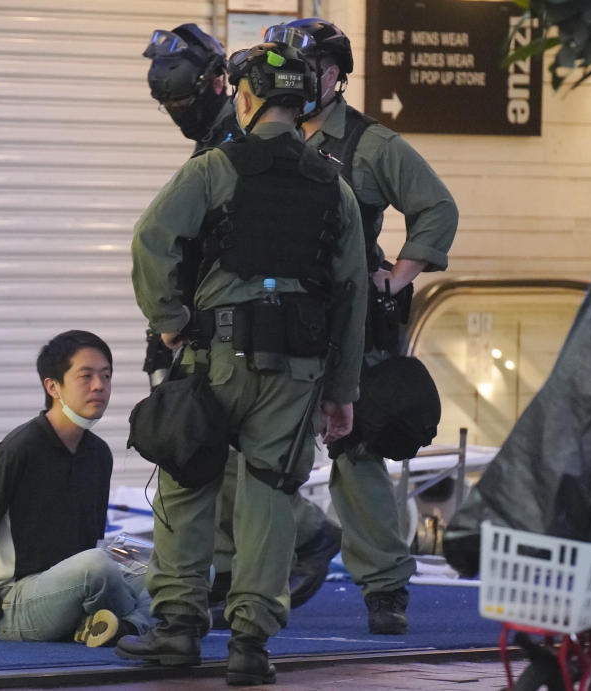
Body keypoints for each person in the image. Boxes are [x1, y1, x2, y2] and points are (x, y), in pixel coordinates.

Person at [117, 41, 368, 686]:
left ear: (246, 98)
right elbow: (351, 292)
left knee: (189, 479)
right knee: (270, 495)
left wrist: (169, 323)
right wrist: (342, 392)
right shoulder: (333, 187)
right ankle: (250, 643)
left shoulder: (214, 169)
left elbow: (152, 240)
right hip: (300, 369)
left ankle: (176, 630)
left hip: (215, 357)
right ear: (304, 102)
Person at [263, 18, 460, 635]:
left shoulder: (372, 145)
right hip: (278, 317)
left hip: (353, 321)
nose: (298, 81)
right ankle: (265, 571)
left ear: (335, 74)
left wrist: (395, 280)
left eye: (311, 68)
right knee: (260, 448)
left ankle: (384, 589)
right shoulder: (264, 133)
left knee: (357, 448)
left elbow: (436, 207)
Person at [143, 22, 343, 618]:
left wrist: (168, 320)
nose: (176, 110)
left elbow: (158, 240)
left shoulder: (236, 150)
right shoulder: (230, 146)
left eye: (182, 99)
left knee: (207, 465)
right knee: (233, 466)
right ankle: (241, 605)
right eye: (167, 102)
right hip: (245, 336)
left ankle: (285, 552)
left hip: (227, 336)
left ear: (231, 90)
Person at [0, 330, 152, 647]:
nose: (99, 386)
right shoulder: (18, 450)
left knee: (181, 567)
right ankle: (141, 625)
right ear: (53, 386)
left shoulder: (98, 454)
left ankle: (121, 627)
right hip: (17, 601)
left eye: (106, 376)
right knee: (97, 566)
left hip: (76, 582)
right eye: (85, 376)